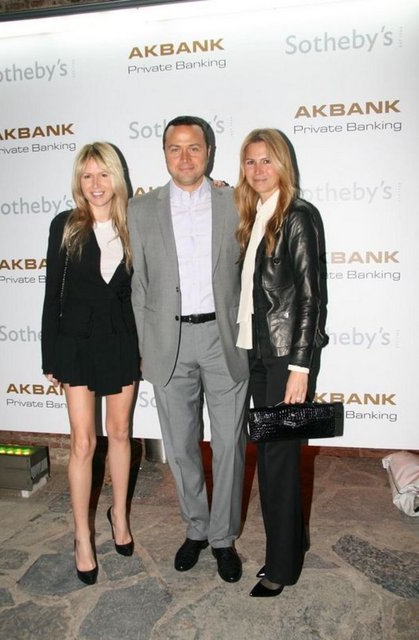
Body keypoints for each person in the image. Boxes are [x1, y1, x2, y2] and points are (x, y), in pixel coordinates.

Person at [128, 116, 249, 583]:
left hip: (223, 340)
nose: (185, 157)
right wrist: (145, 345)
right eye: (175, 148)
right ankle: (196, 529)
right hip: (168, 343)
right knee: (179, 446)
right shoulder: (140, 210)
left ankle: (223, 538)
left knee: (229, 445)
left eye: (193, 148)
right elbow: (139, 286)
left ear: (209, 152)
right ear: (164, 153)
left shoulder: (235, 201)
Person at [234, 129, 328, 597]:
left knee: (278, 461)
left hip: (284, 357)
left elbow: (311, 298)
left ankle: (282, 567)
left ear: (283, 164)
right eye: (250, 161)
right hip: (258, 352)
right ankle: (291, 543)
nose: (258, 169)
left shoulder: (298, 216)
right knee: (274, 455)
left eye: (267, 160)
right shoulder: (255, 215)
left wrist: (300, 367)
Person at [41, 143, 141, 585]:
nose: (95, 185)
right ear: (78, 183)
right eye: (87, 176)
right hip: (76, 343)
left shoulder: (134, 224)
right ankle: (82, 536)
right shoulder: (65, 225)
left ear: (116, 178)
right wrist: (49, 355)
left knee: (119, 433)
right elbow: (53, 294)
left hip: (121, 339)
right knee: (83, 443)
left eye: (103, 175)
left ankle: (119, 515)